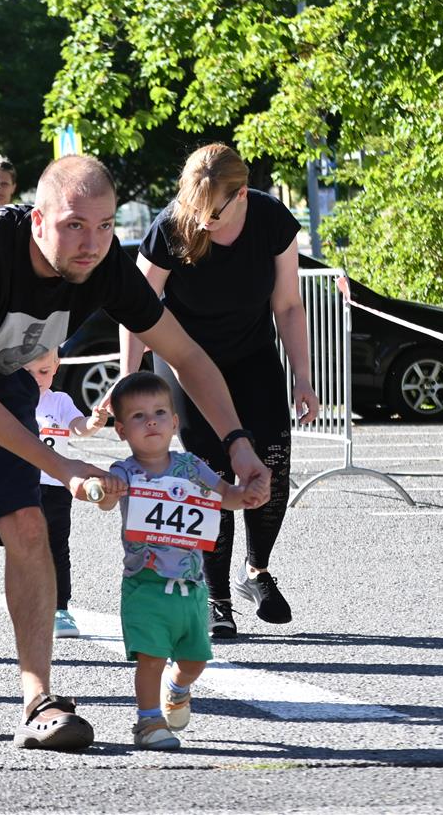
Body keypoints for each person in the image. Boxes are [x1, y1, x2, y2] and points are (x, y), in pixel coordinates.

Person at [0, 154, 270, 750]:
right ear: (38, 219)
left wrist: (238, 444)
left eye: (104, 226)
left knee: (28, 525)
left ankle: (38, 697)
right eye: (74, 225)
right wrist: (65, 465)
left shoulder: (104, 264)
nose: (91, 243)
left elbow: (187, 356)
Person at [120, 143, 319, 639]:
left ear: (242, 194)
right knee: (208, 471)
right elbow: (136, 307)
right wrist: (128, 382)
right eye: (195, 209)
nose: (202, 221)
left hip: (252, 355)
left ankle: (257, 571)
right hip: (185, 359)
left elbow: (288, 306)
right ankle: (216, 596)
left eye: (212, 212)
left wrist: (304, 377)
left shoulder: (271, 221)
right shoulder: (171, 226)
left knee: (271, 461)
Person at [93, 371, 251, 750]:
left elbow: (225, 494)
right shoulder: (124, 472)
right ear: (121, 430)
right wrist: (105, 490)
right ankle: (148, 722)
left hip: (191, 586)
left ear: (175, 422)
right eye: (138, 416)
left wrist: (247, 494)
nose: (151, 422)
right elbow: (106, 501)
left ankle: (178, 688)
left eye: (160, 413)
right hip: (145, 585)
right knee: (151, 658)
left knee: (194, 661)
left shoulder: (191, 466)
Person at [22, 348, 107, 638]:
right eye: (27, 372)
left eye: (44, 371)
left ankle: (60, 608)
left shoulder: (60, 401)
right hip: (22, 485)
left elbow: (78, 427)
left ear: (56, 366)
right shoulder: (12, 399)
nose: (36, 378)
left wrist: (93, 423)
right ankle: (30, 605)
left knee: (57, 547)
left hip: (57, 486)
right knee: (25, 547)